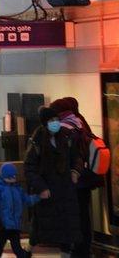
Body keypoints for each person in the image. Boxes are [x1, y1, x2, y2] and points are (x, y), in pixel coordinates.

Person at [24, 107, 82, 254]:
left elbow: (77, 157)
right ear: (44, 123)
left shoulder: (66, 137)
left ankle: (66, 254)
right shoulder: (37, 141)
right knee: (40, 226)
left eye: (56, 120)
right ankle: (28, 250)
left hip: (65, 190)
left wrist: (75, 171)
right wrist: (41, 187)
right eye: (51, 121)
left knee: (67, 227)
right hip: (47, 190)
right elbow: (29, 168)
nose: (55, 123)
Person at [50, 97, 100, 258]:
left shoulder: (65, 127)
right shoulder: (80, 122)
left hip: (71, 180)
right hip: (84, 179)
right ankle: (84, 249)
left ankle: (74, 250)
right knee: (83, 216)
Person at [0, 163, 40, 258]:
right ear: (4, 177)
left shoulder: (17, 189)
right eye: (11, 177)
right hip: (2, 226)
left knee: (17, 247)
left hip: (14, 225)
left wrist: (38, 197)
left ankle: (23, 256)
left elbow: (26, 199)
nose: (13, 179)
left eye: (14, 176)